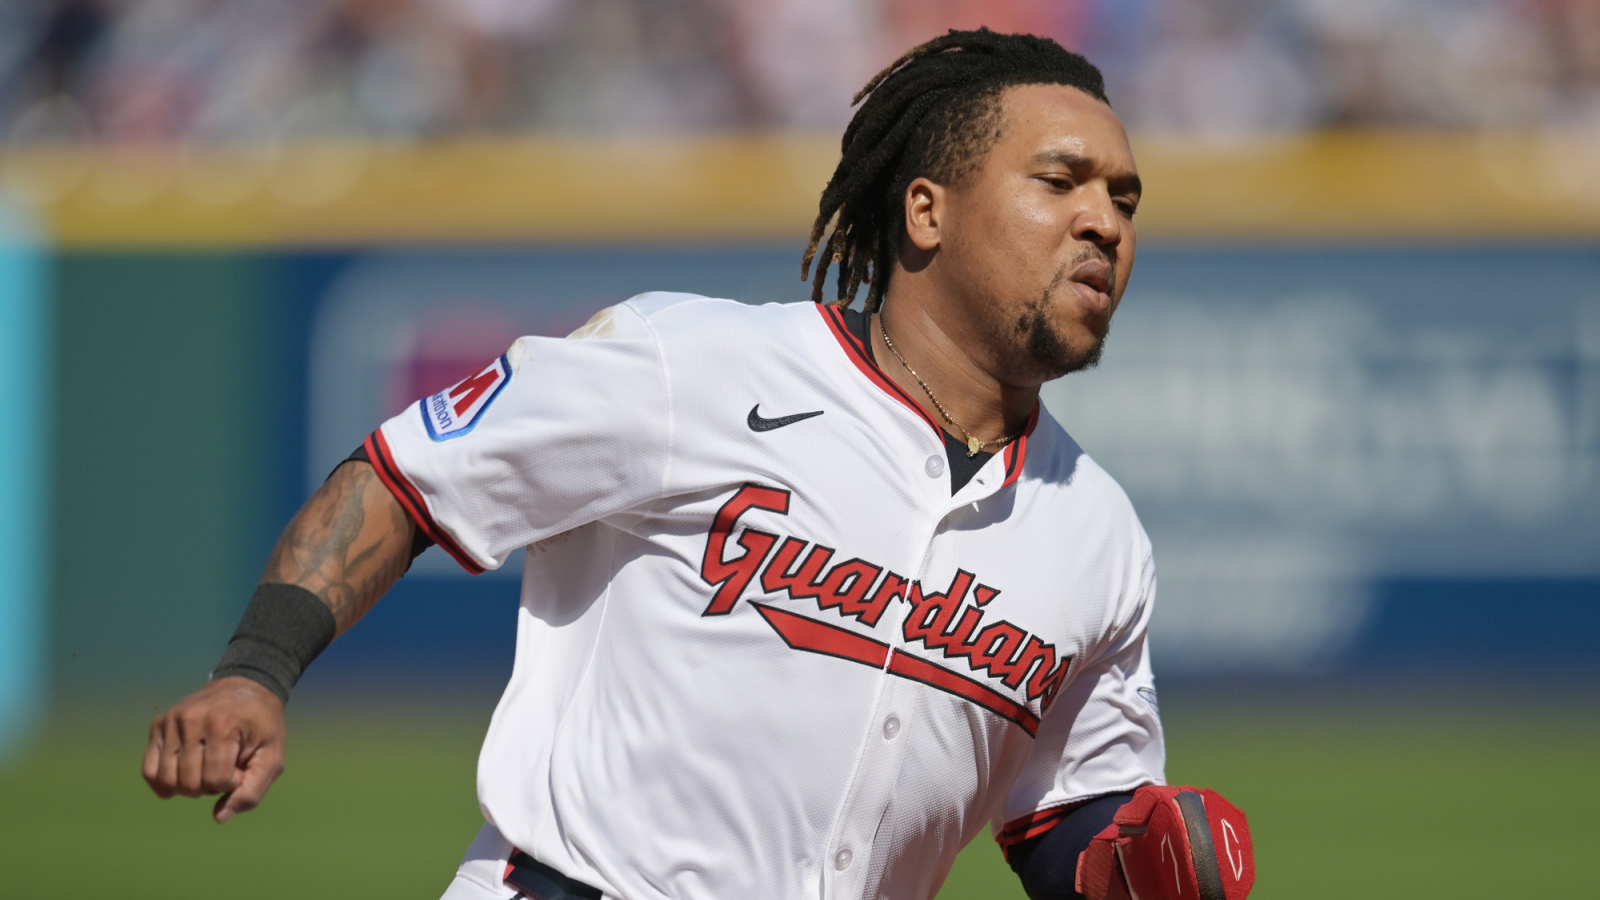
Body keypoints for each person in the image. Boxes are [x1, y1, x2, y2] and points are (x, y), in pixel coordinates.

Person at [142, 29, 1255, 900]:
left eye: (1122, 198)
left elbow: (1059, 820)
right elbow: (407, 477)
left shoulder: (1097, 531)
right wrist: (256, 667)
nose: (1103, 222)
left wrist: (1138, 852)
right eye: (1061, 181)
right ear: (927, 209)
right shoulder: (695, 364)